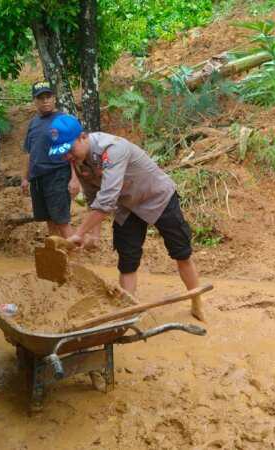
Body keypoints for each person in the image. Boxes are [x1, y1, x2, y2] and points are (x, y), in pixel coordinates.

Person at [56, 115, 205, 321]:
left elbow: (106, 201)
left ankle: (196, 302)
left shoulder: (112, 149)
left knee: (181, 253)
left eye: (69, 149)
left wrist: (79, 233)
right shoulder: (78, 161)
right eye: (62, 153)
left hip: (157, 197)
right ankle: (127, 315)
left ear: (82, 137)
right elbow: (94, 197)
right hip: (126, 206)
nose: (67, 156)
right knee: (127, 261)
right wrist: (93, 235)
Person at [22, 81, 80, 238]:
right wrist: (25, 178)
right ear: (35, 101)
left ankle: (74, 251)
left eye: (48, 97)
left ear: (54, 98)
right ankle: (57, 252)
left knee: (62, 221)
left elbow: (75, 151)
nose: (45, 101)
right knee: (49, 220)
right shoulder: (33, 123)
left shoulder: (64, 120)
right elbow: (29, 152)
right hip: (37, 179)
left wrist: (75, 178)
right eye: (41, 98)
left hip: (58, 175)